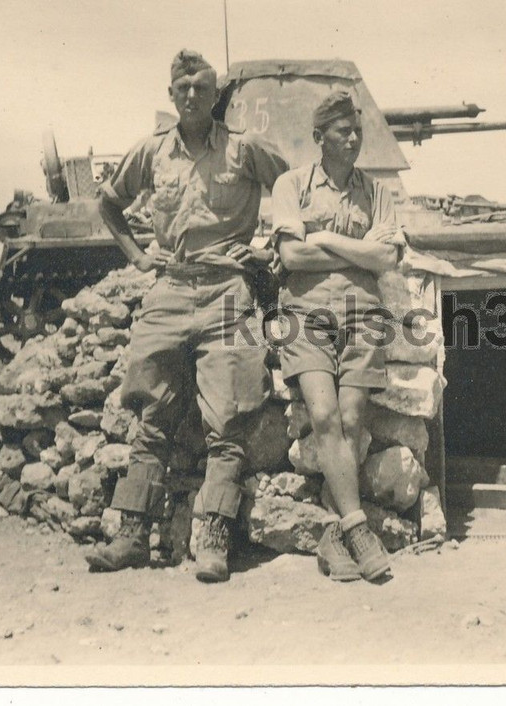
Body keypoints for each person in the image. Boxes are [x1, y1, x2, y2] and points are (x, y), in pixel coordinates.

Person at [85, 49, 289, 582]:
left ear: (215, 93)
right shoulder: (152, 153)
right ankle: (131, 534)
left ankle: (215, 538)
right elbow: (108, 202)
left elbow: (293, 191)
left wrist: (268, 248)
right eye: (184, 88)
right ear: (171, 94)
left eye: (202, 87)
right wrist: (136, 255)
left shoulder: (243, 149)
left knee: (229, 420)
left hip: (230, 290)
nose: (193, 96)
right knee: (152, 414)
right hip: (171, 288)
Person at [271, 90, 404, 582]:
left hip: (364, 317)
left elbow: (388, 259)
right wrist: (357, 250)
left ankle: (334, 535)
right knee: (324, 415)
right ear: (318, 138)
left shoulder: (377, 193)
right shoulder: (292, 186)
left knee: (350, 419)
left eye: (357, 130)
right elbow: (291, 258)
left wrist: (323, 238)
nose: (353, 138)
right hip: (306, 315)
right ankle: (358, 527)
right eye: (342, 131)